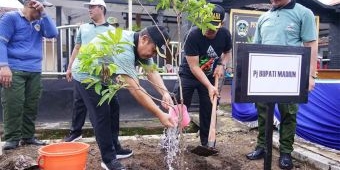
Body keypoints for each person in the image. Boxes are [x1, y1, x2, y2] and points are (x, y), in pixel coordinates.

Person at [73, 25, 175, 169]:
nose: (153, 55)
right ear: (144, 39)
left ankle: (115, 148)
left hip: (104, 75)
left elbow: (151, 72)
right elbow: (135, 88)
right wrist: (160, 114)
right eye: (153, 50)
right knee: (101, 114)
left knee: (114, 108)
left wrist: (165, 93)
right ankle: (108, 159)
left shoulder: (140, 46)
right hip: (86, 75)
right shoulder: (124, 49)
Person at [245, 0, 318, 169]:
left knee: (289, 114)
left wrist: (311, 75)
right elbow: (256, 47)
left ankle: (286, 152)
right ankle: (262, 147)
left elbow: (311, 44)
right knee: (263, 113)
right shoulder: (264, 17)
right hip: (264, 76)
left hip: (290, 77)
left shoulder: (303, 13)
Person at [64, 0, 134, 160]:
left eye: (92, 7)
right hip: (82, 72)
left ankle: (114, 146)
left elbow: (114, 54)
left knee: (111, 110)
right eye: (88, 7)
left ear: (101, 8)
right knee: (79, 104)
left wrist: (116, 75)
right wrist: (69, 67)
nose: (89, 9)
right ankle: (75, 133)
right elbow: (77, 48)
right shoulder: (83, 28)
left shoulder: (112, 30)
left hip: (103, 75)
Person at [0, 0, 58, 150]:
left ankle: (28, 136)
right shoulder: (11, 18)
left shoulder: (40, 21)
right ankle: (12, 138)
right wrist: (3, 66)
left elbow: (53, 33)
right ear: (32, 4)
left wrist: (44, 13)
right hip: (14, 69)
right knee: (14, 104)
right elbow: (1, 42)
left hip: (34, 69)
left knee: (31, 105)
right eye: (41, 6)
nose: (43, 10)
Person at [174, 4, 232, 149]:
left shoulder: (225, 34)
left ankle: (207, 143)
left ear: (221, 24)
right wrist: (209, 86)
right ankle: (172, 140)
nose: (208, 30)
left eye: (213, 27)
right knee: (179, 106)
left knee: (208, 108)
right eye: (206, 25)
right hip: (188, 75)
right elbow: (194, 67)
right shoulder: (193, 35)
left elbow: (227, 52)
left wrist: (221, 65)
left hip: (210, 76)